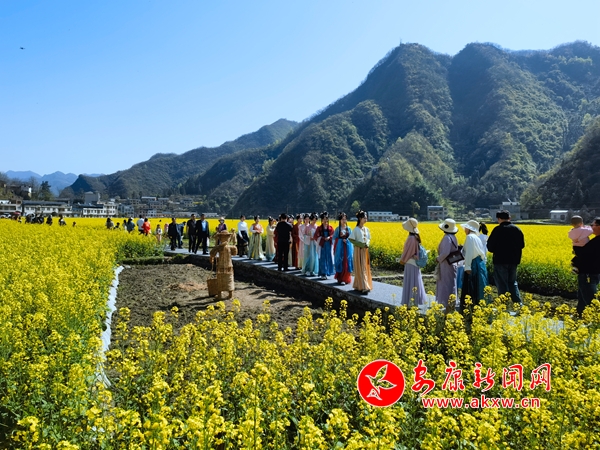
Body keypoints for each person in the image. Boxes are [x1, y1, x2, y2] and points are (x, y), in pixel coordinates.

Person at [486, 210, 525, 305]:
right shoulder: (517, 229)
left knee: (502, 283)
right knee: (513, 282)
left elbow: (490, 247)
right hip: (514, 261)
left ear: (499, 219)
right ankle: (518, 304)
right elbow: (522, 245)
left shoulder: (497, 230)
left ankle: (503, 304)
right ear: (509, 218)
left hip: (500, 261)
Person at [460, 220, 489, 309]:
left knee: (471, 287)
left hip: (473, 264)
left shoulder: (470, 237)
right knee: (479, 287)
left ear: (469, 229)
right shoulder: (477, 237)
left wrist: (467, 267)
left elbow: (469, 253)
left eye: (465, 228)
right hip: (479, 264)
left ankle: (471, 309)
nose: (464, 230)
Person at [574, 217, 600, 316]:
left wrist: (576, 249)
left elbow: (584, 254)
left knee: (590, 300)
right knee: (582, 297)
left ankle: (594, 318)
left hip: (588, 273)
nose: (591, 227)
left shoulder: (597, 241)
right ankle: (580, 316)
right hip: (591, 272)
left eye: (593, 225)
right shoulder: (595, 240)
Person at [399, 217, 426, 305]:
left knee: (411, 282)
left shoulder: (411, 238)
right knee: (415, 281)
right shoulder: (415, 237)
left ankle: (411, 302)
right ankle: (414, 301)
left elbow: (408, 252)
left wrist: (402, 260)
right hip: (414, 263)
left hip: (410, 263)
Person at [435, 218, 460, 311]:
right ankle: (451, 303)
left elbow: (445, 252)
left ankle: (447, 304)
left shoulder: (446, 238)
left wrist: (438, 259)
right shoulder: (453, 237)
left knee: (446, 284)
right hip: (452, 263)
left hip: (446, 264)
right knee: (451, 283)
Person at [209, 231, 237, 299]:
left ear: (220, 238)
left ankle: (220, 295)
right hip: (229, 265)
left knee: (220, 279)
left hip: (221, 265)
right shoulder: (230, 247)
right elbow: (235, 253)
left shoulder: (219, 247)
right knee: (229, 278)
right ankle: (230, 294)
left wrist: (212, 258)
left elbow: (212, 253)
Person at [349, 211, 372, 294]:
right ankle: (364, 286)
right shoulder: (356, 229)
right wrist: (360, 244)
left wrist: (367, 243)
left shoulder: (366, 229)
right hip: (358, 250)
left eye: (366, 218)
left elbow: (369, 238)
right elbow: (351, 239)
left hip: (365, 250)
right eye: (364, 218)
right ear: (360, 218)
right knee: (360, 267)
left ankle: (358, 285)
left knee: (364, 267)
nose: (366, 219)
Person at [333, 212, 353, 285]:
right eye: (342, 219)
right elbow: (334, 238)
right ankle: (340, 278)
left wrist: (347, 240)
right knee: (340, 261)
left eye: (345, 219)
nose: (344, 221)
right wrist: (340, 240)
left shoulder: (349, 229)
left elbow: (351, 238)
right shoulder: (337, 229)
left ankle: (346, 278)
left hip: (347, 248)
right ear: (340, 220)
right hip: (340, 248)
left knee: (347, 261)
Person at [314, 211, 335, 280]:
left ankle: (328, 272)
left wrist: (329, 237)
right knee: (322, 258)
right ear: (322, 220)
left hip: (328, 245)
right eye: (324, 219)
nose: (326, 220)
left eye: (327, 219)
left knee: (329, 258)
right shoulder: (319, 228)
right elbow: (315, 236)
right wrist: (322, 238)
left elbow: (333, 235)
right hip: (322, 245)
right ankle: (323, 273)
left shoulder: (330, 228)